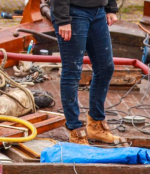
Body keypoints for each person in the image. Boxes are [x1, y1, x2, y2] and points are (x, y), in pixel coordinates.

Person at [51, 0, 126, 145]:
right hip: (73, 12)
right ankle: (75, 129)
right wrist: (63, 18)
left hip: (98, 11)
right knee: (72, 71)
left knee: (105, 67)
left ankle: (96, 124)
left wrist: (111, 7)